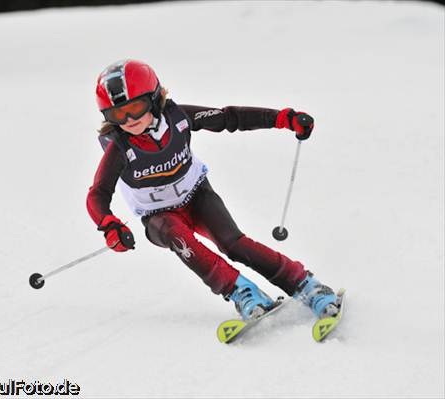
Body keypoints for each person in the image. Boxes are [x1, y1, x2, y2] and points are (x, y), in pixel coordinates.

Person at [86, 59, 338, 321]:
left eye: (136, 108)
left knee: (234, 244)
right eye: (118, 115)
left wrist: (282, 118)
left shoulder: (179, 118)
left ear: (154, 99)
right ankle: (242, 292)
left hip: (196, 195)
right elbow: (97, 194)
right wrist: (109, 225)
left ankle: (307, 285)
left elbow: (229, 117)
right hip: (158, 216)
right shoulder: (119, 148)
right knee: (178, 237)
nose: (129, 120)